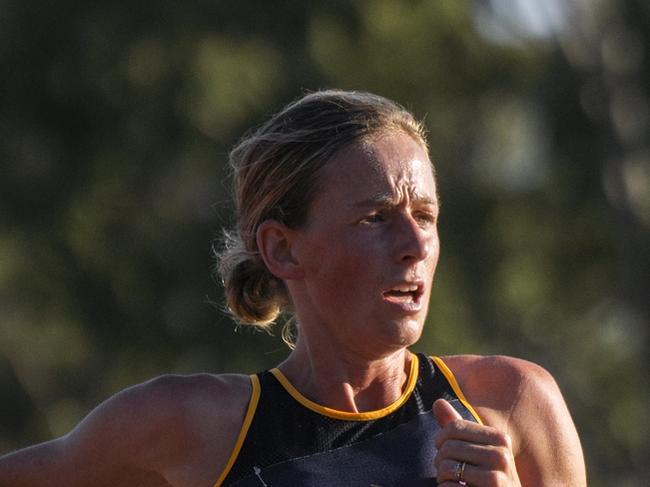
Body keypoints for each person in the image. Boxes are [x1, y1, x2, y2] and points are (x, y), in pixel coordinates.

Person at [0, 90, 586, 486]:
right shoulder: (190, 425)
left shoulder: (512, 405)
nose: (415, 244)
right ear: (284, 248)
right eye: (375, 218)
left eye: (426, 215)